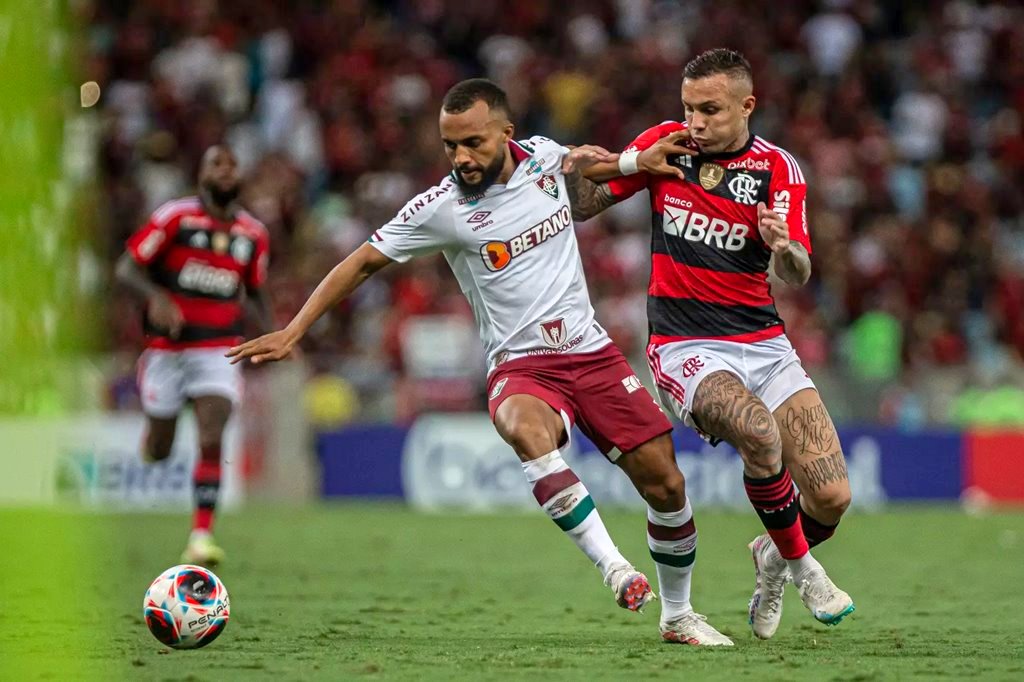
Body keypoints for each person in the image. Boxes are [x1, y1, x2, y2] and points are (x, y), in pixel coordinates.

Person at [227, 79, 732, 646]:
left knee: (666, 485)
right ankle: (614, 567)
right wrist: (295, 328)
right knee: (523, 427)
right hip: (522, 367)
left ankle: (679, 614)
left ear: (506, 133)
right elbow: (362, 262)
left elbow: (584, 163)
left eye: (473, 143)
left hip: (591, 353)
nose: (462, 158)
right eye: (450, 146)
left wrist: (635, 159)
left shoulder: (541, 157)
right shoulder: (441, 209)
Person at [575, 48, 855, 639]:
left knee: (831, 496)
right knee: (757, 432)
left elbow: (800, 271)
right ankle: (804, 567)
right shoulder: (670, 146)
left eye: (710, 109)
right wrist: (633, 160)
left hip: (765, 342)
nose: (696, 122)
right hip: (685, 344)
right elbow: (582, 204)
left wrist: (785, 248)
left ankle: (773, 556)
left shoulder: (779, 169)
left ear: (747, 105)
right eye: (688, 108)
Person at [116, 145, 271, 567]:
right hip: (167, 351)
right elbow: (126, 269)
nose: (225, 170)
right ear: (201, 174)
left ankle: (201, 536)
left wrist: (278, 334)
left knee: (210, 435)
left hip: (218, 349)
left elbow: (255, 291)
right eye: (216, 163)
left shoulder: (253, 234)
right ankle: (154, 440)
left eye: (232, 164)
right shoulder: (174, 219)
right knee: (159, 451)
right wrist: (158, 298)